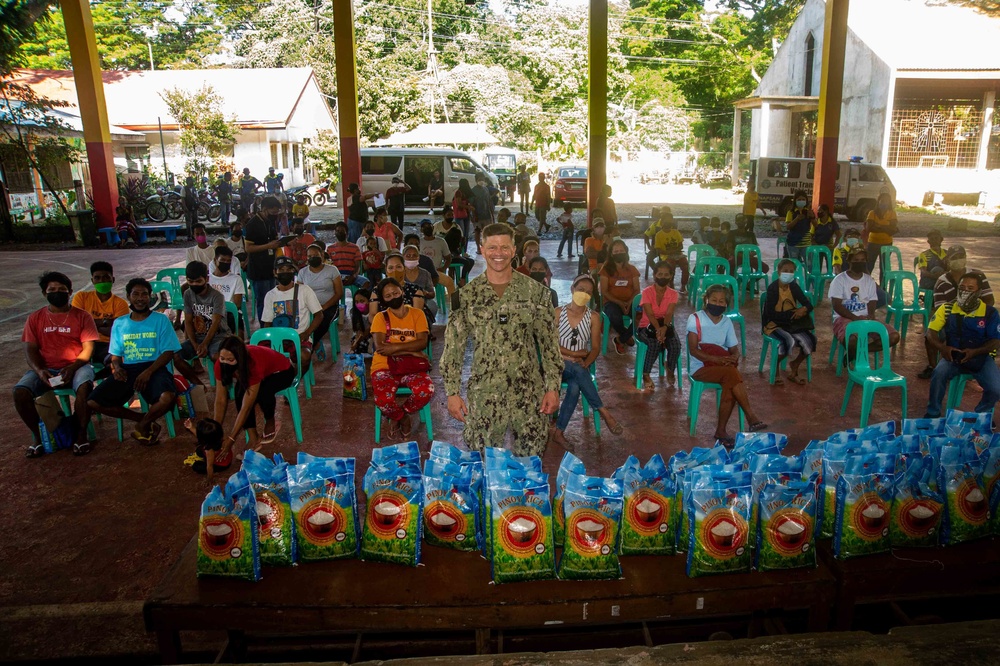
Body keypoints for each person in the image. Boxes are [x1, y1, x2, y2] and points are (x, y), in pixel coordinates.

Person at [442, 223, 562, 455]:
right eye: (493, 247)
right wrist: (452, 392)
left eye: (505, 247)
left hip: (528, 392)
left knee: (531, 459)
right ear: (482, 248)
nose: (499, 253)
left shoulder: (536, 293)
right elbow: (453, 349)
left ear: (514, 249)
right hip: (485, 391)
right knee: (484, 458)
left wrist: (552, 388)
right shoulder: (466, 297)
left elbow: (549, 346)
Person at [87, 278, 180, 446]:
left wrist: (148, 372)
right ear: (128, 297)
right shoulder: (120, 323)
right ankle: (144, 419)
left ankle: (142, 425)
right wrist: (117, 367)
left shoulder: (160, 320)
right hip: (129, 369)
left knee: (167, 397)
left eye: (144, 294)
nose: (140, 298)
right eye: (135, 294)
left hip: (154, 367)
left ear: (150, 297)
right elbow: (115, 354)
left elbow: (168, 352)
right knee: (94, 401)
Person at [15, 272, 99, 456]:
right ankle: (38, 438)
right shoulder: (35, 318)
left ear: (70, 292)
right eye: (52, 290)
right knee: (20, 392)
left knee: (85, 387)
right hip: (47, 368)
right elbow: (30, 349)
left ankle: (81, 434)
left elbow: (88, 348)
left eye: (62, 289)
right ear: (44, 293)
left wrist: (73, 367)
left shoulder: (82, 316)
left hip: (77, 366)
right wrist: (40, 371)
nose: (57, 293)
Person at [687, 284, 767, 444]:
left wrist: (733, 357)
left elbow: (734, 349)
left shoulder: (727, 322)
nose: (717, 304)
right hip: (700, 367)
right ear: (706, 300)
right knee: (731, 374)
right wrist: (717, 359)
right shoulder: (695, 318)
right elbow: (693, 350)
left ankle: (721, 431)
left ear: (726, 304)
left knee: (730, 381)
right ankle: (750, 416)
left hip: (723, 368)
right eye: (714, 300)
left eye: (721, 301)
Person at [551, 275, 623, 448]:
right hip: (556, 365)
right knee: (575, 368)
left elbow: (596, 348)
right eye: (581, 290)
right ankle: (603, 411)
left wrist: (586, 360)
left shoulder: (593, 317)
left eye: (589, 292)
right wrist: (574, 355)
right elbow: (549, 344)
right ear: (572, 289)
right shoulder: (558, 313)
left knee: (575, 386)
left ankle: (559, 433)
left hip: (576, 367)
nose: (584, 294)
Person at [923, 273, 1000, 418]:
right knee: (938, 375)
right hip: (952, 356)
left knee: (996, 388)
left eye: (970, 288)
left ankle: (981, 416)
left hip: (981, 358)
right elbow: (930, 333)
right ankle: (933, 413)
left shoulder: (990, 313)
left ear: (978, 292)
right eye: (962, 287)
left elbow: (996, 342)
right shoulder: (947, 308)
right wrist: (943, 348)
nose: (965, 291)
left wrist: (975, 352)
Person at [370, 277, 435, 438]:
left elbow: (422, 343)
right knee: (383, 400)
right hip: (383, 366)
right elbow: (380, 348)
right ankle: (402, 418)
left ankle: (402, 412)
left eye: (395, 292)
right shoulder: (380, 317)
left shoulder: (417, 314)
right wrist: (411, 351)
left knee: (426, 391)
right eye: (388, 296)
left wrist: (395, 347)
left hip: (411, 366)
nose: (393, 297)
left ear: (402, 291)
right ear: (383, 300)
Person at [213, 335, 296, 450]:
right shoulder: (219, 364)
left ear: (239, 358)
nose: (225, 362)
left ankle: (270, 420)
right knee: (239, 393)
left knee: (262, 392)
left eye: (230, 360)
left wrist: (231, 439)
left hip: (283, 371)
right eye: (222, 358)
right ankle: (253, 437)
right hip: (262, 372)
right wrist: (214, 431)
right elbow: (220, 400)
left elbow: (246, 407)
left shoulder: (252, 364)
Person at [828, 246, 900, 363]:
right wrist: (854, 318)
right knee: (852, 340)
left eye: (862, 260)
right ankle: (855, 351)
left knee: (893, 337)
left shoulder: (869, 280)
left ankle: (858, 352)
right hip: (844, 318)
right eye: (856, 260)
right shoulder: (840, 279)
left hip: (865, 317)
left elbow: (872, 300)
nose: (859, 263)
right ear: (849, 261)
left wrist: (871, 314)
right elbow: (836, 305)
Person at [261, 256, 323, 371]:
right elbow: (267, 323)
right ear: (275, 272)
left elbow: (319, 315)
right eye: (281, 270)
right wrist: (271, 340)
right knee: (258, 356)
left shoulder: (304, 290)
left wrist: (306, 333)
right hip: (278, 338)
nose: (285, 272)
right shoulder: (270, 295)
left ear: (293, 272)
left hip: (299, 337)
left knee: (304, 356)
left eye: (288, 269)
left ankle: (295, 379)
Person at [763, 259, 815, 385]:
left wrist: (804, 309)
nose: (788, 273)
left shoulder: (793, 286)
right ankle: (775, 367)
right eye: (785, 270)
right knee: (788, 340)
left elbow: (808, 304)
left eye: (791, 271)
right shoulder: (773, 288)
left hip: (791, 323)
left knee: (810, 340)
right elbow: (771, 314)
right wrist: (792, 314)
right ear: (779, 271)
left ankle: (795, 365)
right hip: (774, 324)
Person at [72, 261, 129, 368]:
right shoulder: (81, 297)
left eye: (106, 277)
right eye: (97, 278)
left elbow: (116, 332)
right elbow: (76, 325)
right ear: (92, 280)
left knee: (117, 363)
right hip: (82, 344)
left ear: (113, 279)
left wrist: (89, 324)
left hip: (107, 345)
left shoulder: (121, 304)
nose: (101, 281)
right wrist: (105, 322)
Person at [179, 261, 230, 379]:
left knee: (217, 357)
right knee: (175, 355)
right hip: (198, 337)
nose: (194, 284)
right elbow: (188, 321)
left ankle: (225, 385)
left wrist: (204, 344)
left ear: (206, 279)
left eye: (198, 281)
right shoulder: (187, 294)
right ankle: (197, 384)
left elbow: (215, 323)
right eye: (190, 281)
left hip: (218, 336)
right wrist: (195, 344)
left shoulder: (217, 296)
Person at [637, 260, 681, 390]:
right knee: (654, 343)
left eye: (666, 274)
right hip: (646, 326)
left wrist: (664, 328)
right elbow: (650, 315)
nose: (663, 277)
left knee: (675, 345)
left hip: (665, 326)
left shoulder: (673, 294)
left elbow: (669, 314)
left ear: (671, 276)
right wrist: (658, 330)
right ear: (654, 275)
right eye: (660, 274)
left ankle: (670, 368)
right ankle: (645, 373)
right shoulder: (647, 292)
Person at [297, 243, 343, 357]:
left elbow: (339, 293)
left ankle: (311, 344)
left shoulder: (332, 270)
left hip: (329, 306)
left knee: (323, 320)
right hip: (309, 306)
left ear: (322, 255)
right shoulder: (303, 272)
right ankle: (313, 344)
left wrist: (324, 306)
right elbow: (298, 293)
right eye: (309, 256)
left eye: (315, 255)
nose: (312, 258)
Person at [915, 230, 950, 379]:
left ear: (942, 239)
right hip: (930, 281)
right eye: (932, 238)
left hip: (942, 279)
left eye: (937, 237)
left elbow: (951, 270)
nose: (935, 240)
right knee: (936, 271)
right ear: (928, 241)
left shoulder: (947, 254)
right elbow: (924, 272)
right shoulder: (925, 255)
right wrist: (938, 276)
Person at [244, 196, 282, 321]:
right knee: (264, 302)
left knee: (273, 300)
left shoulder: (270, 222)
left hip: (271, 267)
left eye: (277, 213)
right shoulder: (253, 224)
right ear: (265, 209)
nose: (275, 215)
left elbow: (273, 241)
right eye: (273, 212)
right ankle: (264, 330)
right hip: (258, 270)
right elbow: (248, 248)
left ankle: (274, 326)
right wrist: (268, 246)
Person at [600, 239, 641, 354]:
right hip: (611, 302)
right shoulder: (605, 270)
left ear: (626, 252)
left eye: (621, 250)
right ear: (611, 254)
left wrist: (629, 302)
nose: (619, 253)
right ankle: (626, 336)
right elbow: (604, 291)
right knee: (614, 316)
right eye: (616, 251)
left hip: (631, 301)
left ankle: (620, 339)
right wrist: (620, 303)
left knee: (642, 315)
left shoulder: (632, 269)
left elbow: (637, 289)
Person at [863, 192, 898, 282]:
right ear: (878, 201)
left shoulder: (892, 213)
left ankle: (883, 287)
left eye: (887, 201)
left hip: (887, 244)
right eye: (882, 200)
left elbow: (893, 228)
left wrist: (878, 225)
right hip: (873, 243)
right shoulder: (872, 213)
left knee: (884, 267)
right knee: (869, 265)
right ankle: (865, 284)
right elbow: (869, 228)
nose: (884, 203)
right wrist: (887, 227)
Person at [209, 246, 244, 333]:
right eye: (223, 260)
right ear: (215, 260)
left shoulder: (236, 279)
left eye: (228, 261)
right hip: (210, 312)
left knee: (237, 322)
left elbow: (237, 304)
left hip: (229, 313)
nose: (225, 263)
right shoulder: (207, 279)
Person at [436, 205, 474, 286]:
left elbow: (461, 242)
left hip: (453, 254)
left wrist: (460, 250)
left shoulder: (456, 227)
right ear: (443, 215)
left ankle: (460, 279)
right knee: (467, 262)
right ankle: (462, 280)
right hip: (444, 256)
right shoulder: (437, 226)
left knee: (471, 261)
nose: (451, 217)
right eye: (448, 215)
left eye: (452, 215)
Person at [402, 244, 438, 325]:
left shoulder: (425, 274)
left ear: (418, 257)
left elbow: (432, 294)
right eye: (408, 256)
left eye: (414, 255)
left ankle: (425, 329)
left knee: (433, 306)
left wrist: (425, 293)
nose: (411, 258)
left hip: (422, 302)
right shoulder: (399, 273)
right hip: (403, 301)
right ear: (403, 257)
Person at [651, 212, 688, 291]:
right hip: (666, 255)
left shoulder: (676, 232)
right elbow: (658, 249)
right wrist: (669, 252)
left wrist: (675, 250)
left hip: (678, 254)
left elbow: (681, 245)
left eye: (669, 222)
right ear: (662, 222)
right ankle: (671, 284)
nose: (668, 223)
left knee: (685, 266)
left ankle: (683, 285)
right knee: (671, 266)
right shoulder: (659, 235)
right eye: (666, 221)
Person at [328, 222, 370, 290]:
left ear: (347, 233)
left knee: (366, 283)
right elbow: (328, 265)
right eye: (337, 231)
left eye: (342, 231)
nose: (340, 233)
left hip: (351, 275)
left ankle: (358, 299)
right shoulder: (330, 249)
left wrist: (353, 276)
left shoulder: (355, 247)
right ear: (335, 233)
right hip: (335, 276)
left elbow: (358, 266)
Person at [419, 219, 456, 294]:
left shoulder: (441, 241)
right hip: (421, 272)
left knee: (450, 282)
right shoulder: (419, 242)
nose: (427, 228)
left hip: (436, 272)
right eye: (424, 227)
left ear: (433, 227)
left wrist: (443, 268)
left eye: (429, 226)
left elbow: (448, 258)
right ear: (421, 230)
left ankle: (454, 305)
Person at [785, 190, 814, 261]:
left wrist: (812, 216)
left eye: (803, 199)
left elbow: (816, 225)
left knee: (809, 265)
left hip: (806, 244)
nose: (801, 201)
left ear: (806, 201)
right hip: (793, 243)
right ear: (795, 201)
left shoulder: (808, 212)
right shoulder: (791, 212)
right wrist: (797, 219)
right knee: (795, 265)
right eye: (799, 199)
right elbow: (788, 227)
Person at [471, 173, 495, 251]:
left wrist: (492, 213)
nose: (481, 181)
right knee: (477, 231)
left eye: (483, 179)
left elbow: (489, 202)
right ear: (476, 180)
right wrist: (474, 215)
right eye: (479, 179)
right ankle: (478, 247)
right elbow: (472, 204)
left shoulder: (486, 189)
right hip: (477, 215)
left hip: (487, 214)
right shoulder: (473, 190)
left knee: (487, 232)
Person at [452, 179, 474, 251]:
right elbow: (458, 204)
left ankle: (464, 250)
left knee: (465, 234)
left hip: (466, 214)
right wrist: (468, 207)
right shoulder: (459, 193)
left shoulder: (463, 193)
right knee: (462, 234)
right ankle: (461, 250)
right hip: (460, 215)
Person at [349, 288, 373, 354]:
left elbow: (371, 329)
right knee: (356, 342)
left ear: (369, 301)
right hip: (364, 335)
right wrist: (357, 340)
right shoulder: (353, 312)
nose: (359, 304)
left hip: (373, 333)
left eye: (362, 301)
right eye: (356, 302)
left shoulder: (374, 312)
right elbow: (358, 330)